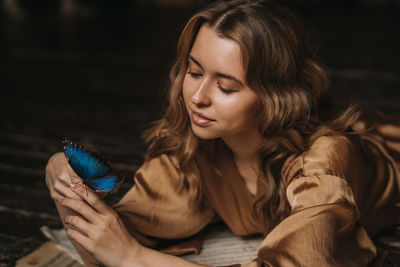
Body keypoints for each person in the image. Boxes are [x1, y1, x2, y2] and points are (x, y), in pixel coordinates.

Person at [45, 0, 400, 266]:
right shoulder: (200, 145)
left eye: (226, 87)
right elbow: (106, 245)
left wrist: (134, 257)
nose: (198, 98)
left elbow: (124, 252)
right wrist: (60, 174)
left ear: (275, 96)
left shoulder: (321, 164)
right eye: (195, 72)